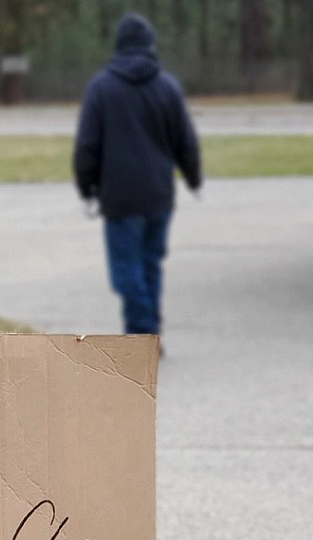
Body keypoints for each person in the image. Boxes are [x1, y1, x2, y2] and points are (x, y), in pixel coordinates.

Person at [73, 13, 201, 338]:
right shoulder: (168, 88)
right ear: (150, 45)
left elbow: (87, 144)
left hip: (120, 196)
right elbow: (185, 140)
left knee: (126, 270)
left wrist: (86, 185)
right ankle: (148, 330)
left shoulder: (101, 89)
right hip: (159, 194)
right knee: (150, 264)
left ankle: (142, 332)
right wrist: (192, 177)